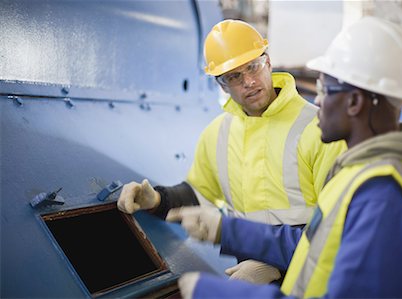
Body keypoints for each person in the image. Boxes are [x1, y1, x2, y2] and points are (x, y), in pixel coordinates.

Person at [167, 16, 402, 298]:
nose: (316, 100)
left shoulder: (383, 196)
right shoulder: (362, 175)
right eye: (233, 76)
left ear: (354, 102)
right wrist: (227, 231)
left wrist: (216, 292)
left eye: (325, 89)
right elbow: (319, 243)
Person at [117, 20, 345, 284]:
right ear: (222, 85)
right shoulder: (218, 133)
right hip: (248, 277)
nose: (248, 81)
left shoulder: (320, 129)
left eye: (253, 66)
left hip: (315, 279)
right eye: (234, 76)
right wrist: (155, 200)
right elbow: (199, 195)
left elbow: (339, 230)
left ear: (268, 63)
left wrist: (279, 267)